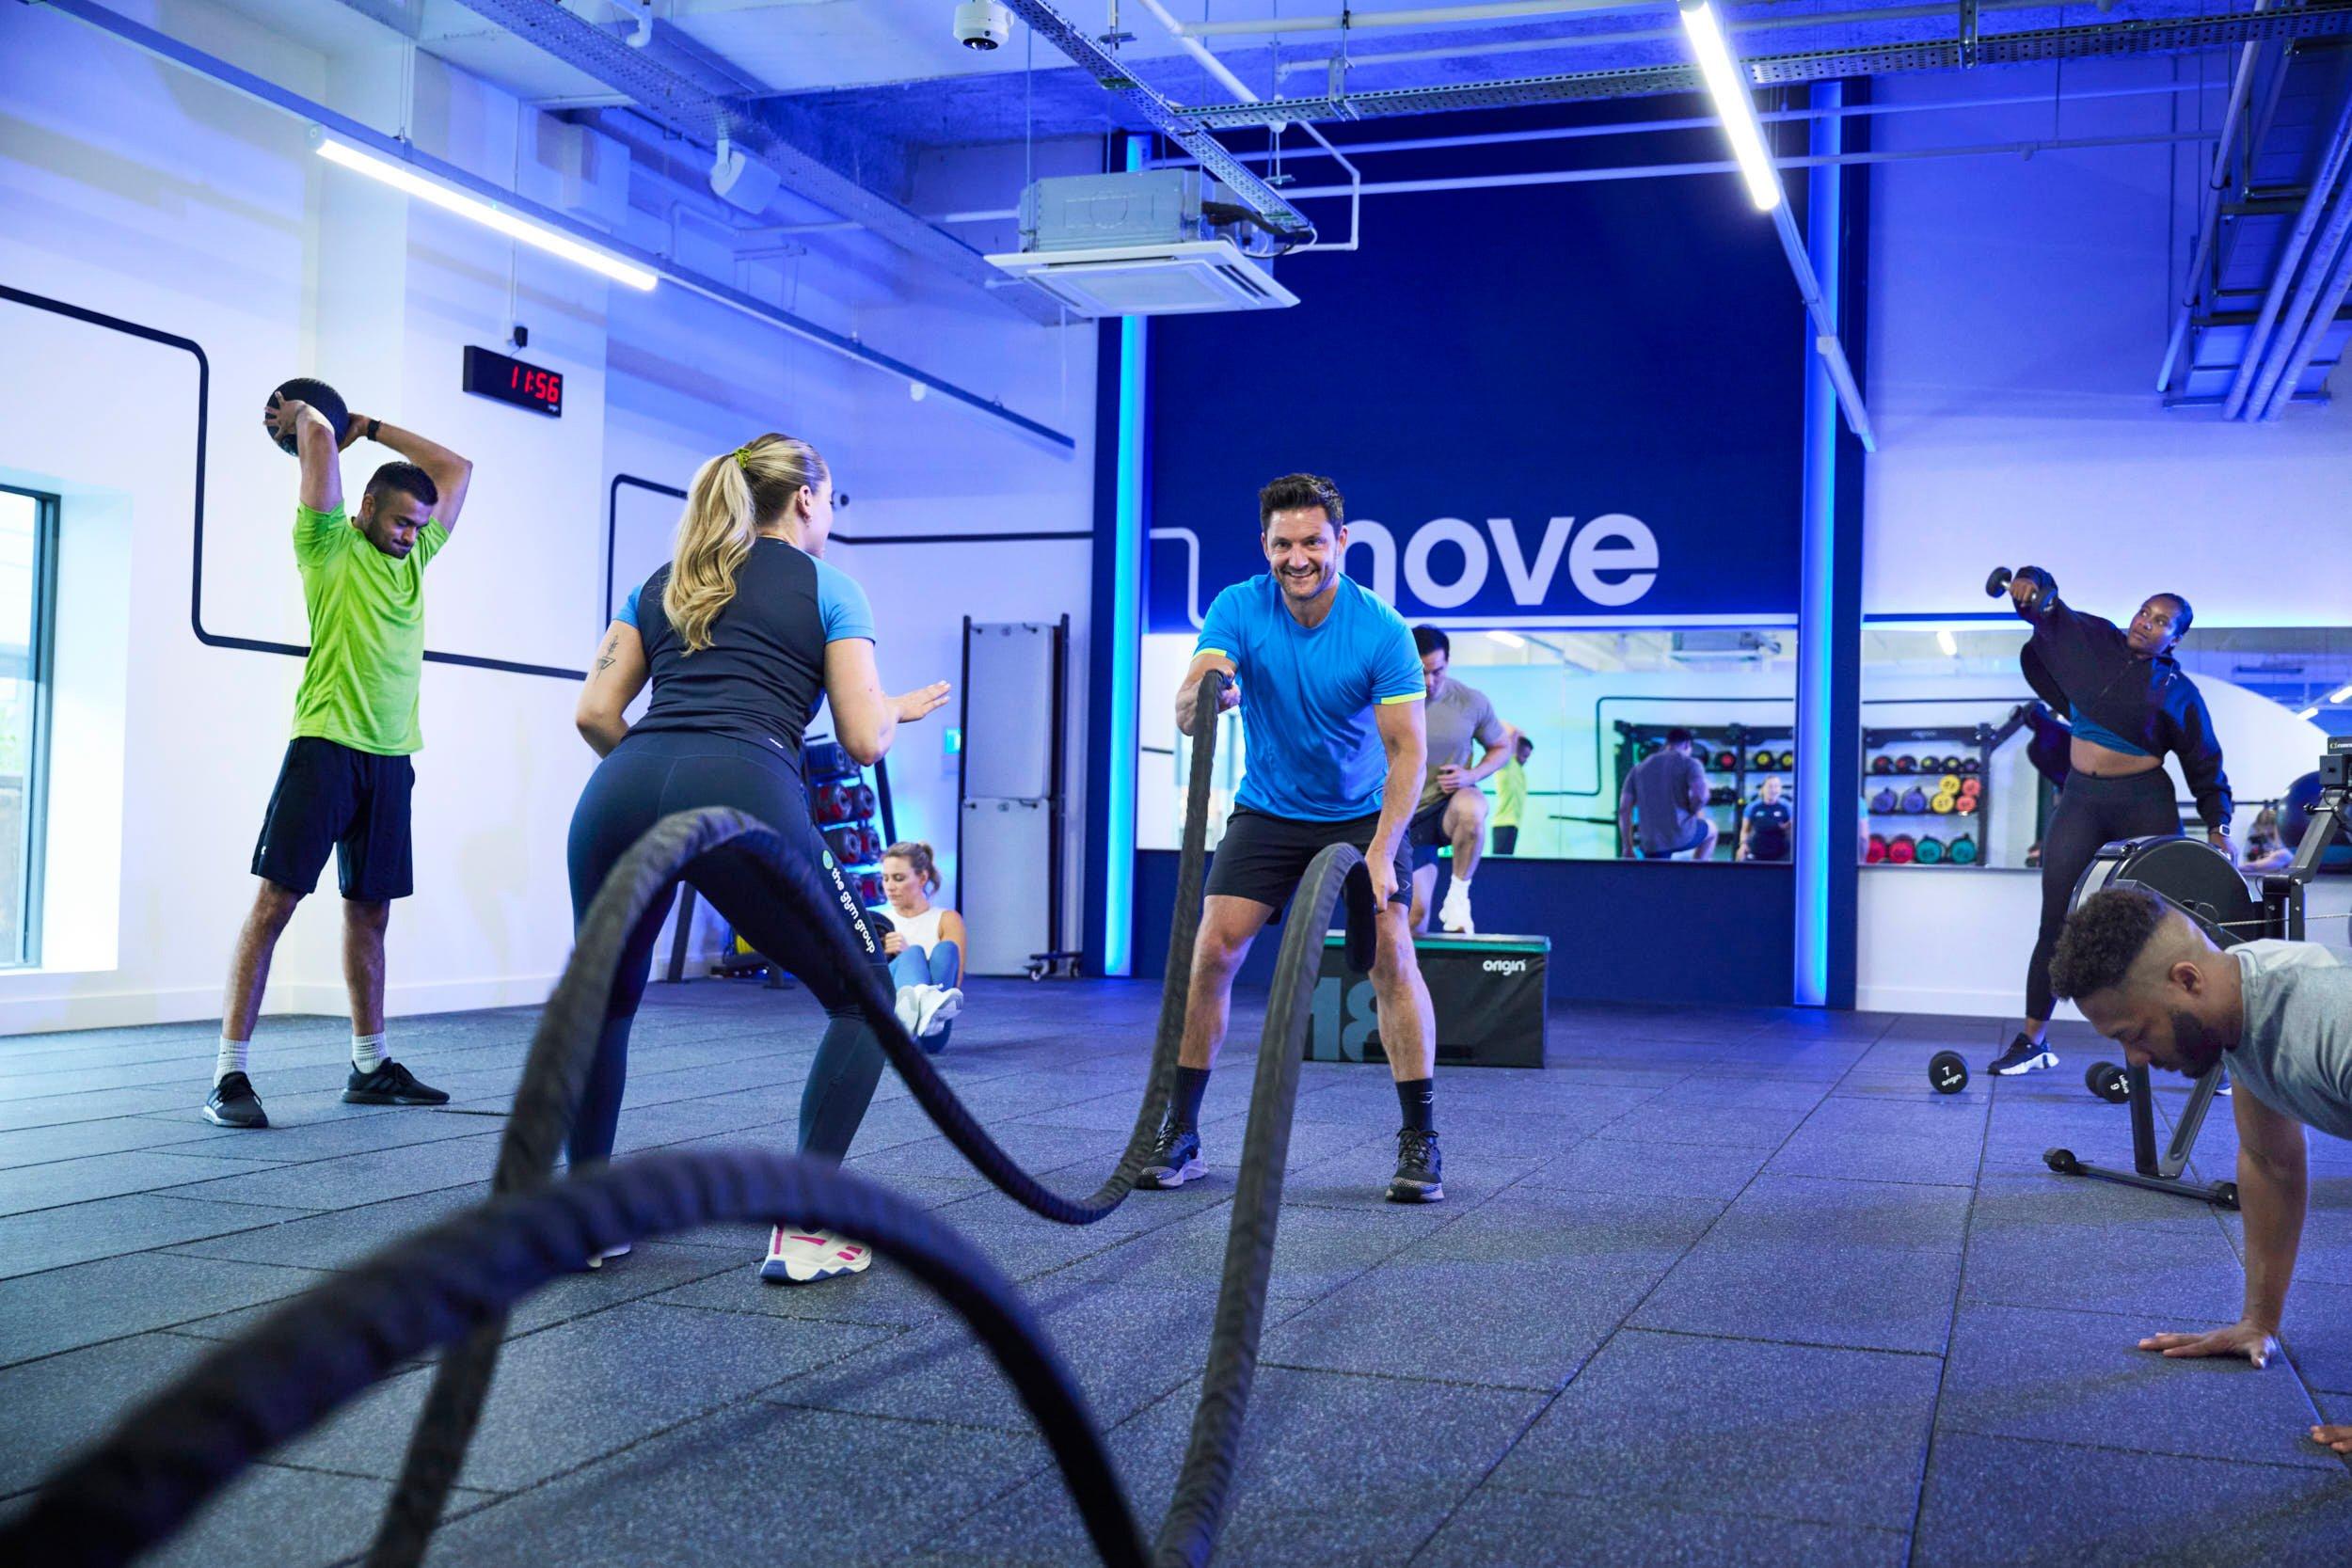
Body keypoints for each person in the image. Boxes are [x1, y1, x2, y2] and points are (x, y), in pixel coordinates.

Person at [568, 433, 949, 1283]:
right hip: (744, 784)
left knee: (605, 1006)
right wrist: (892, 711)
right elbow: (861, 737)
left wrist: (663, 778)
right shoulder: (831, 588)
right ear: (808, 499)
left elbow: (596, 712)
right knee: (869, 995)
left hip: (619, 793)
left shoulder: (664, 581)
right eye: (833, 496)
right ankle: (809, 1228)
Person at [1162, 473, 1444, 1203]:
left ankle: (1420, 1138)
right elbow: (1190, 707)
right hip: (1270, 809)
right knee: (1214, 947)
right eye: (1283, 543)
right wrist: (1209, 691)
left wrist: (1383, 853)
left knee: (1391, 957)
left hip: (1359, 813)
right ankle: (1181, 1130)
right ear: (1265, 545)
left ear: (1340, 541)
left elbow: (1408, 754)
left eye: (1313, 541)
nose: (1298, 557)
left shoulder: (1381, 629)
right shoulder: (1237, 607)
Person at [205, 392, 475, 1129]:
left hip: (392, 760)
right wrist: (312, 418)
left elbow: (457, 466)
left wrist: (377, 426)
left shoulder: (416, 555)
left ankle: (369, 1063)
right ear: (364, 507)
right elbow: (319, 434)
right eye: (399, 521)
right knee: (276, 904)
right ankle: (228, 1075)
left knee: (370, 912)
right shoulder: (327, 545)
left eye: (419, 524)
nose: (410, 535)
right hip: (324, 746)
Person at [2048, 884, 2352, 1456]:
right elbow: (2271, 1162)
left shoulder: (2332, 1027)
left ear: (2187, 980)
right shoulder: (2241, 996)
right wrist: (2257, 1321)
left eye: (2134, 1035)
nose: (2134, 1061)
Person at [1992, 566, 2232, 1078]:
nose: (2146, 621)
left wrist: (2219, 827)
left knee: (2164, 929)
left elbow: (2204, 761)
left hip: (2142, 803)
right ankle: (2034, 1040)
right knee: (2054, 920)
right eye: (2145, 611)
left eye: (2161, 620)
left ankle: (2211, 1054)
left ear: (2176, 637)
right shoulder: (2096, 639)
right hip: (2080, 799)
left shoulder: (2177, 690)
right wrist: (2030, 587)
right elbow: (2051, 610)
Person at [1404, 626, 1518, 935]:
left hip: (1447, 806)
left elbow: (1501, 747)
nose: (1429, 681)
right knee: (1415, 915)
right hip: (1405, 816)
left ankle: (1458, 896)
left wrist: (1472, 775)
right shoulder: (1390, 700)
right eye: (1421, 672)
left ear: (1448, 663)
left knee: (1473, 807)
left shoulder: (1470, 701)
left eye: (1437, 671)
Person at [876, 841, 965, 1053]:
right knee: (913, 953)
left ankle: (926, 1011)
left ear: (922, 878)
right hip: (890, 1025)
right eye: (885, 878)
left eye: (898, 878)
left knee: (947, 949)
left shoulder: (948, 919)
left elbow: (954, 987)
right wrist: (886, 955)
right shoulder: (878, 922)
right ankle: (915, 1010)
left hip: (933, 1033)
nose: (889, 886)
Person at [1618, 729, 1716, 862]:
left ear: (1667, 743)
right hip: (1682, 836)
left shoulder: (1638, 769)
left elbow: (1624, 810)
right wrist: (1692, 810)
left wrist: (1627, 847)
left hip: (1651, 842)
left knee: (1658, 879)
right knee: (1712, 830)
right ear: (1687, 744)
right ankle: (1696, 875)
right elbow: (1701, 796)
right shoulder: (1690, 763)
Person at [1490, 734, 1534, 857]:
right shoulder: (1507, 763)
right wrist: (1519, 737)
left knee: (1508, 862)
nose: (1525, 760)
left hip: (1513, 824)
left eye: (1528, 757)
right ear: (1515, 751)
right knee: (1500, 866)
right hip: (1503, 823)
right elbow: (1511, 732)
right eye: (1524, 755)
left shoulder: (1519, 770)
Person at [1739, 773, 1792, 863]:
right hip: (1757, 850)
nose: (1773, 790)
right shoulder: (1752, 807)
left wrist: (1787, 827)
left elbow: (1793, 831)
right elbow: (1745, 830)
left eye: (1776, 786)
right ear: (1763, 789)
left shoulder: (1787, 807)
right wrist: (1743, 845)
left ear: (1780, 789)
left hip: (1781, 852)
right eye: (1770, 786)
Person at [2241, 804, 2294, 874]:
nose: (2266, 832)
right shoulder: (2254, 831)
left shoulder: (2283, 837)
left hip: (2282, 863)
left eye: (2269, 829)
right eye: (2264, 828)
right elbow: (2248, 856)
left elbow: (2282, 852)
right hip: (2262, 865)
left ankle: (2236, 868)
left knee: (2283, 854)